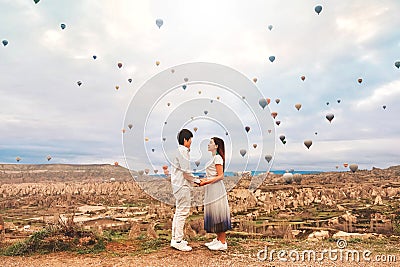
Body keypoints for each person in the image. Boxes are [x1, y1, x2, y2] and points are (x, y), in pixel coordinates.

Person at [170, 129, 201, 252]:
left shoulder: (177, 151)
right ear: (185, 140)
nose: (191, 143)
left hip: (177, 185)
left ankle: (175, 239)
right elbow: (186, 172)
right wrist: (197, 181)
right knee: (182, 212)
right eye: (190, 140)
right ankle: (178, 240)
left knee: (178, 212)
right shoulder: (183, 152)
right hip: (182, 186)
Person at [199, 137, 232, 251]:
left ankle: (223, 242)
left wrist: (206, 182)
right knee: (214, 212)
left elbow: (220, 176)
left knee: (218, 213)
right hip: (211, 187)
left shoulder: (217, 158)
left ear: (217, 146)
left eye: (211, 143)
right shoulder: (213, 158)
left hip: (216, 188)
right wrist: (204, 181)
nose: (208, 144)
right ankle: (218, 239)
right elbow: (212, 174)